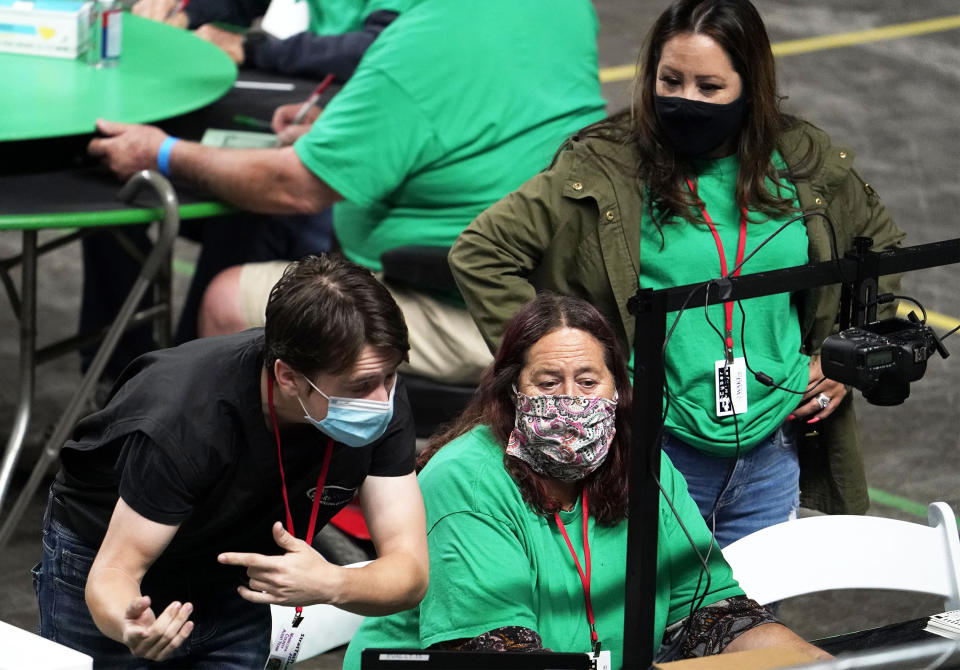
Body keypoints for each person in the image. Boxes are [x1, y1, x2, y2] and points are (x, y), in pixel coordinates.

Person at [449, 0, 906, 546]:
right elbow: (481, 252)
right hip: (653, 446)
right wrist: (556, 361)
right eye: (671, 81)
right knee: (650, 627)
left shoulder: (802, 158)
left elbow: (879, 249)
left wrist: (845, 354)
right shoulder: (604, 165)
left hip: (772, 450)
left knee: (756, 624)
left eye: (709, 87)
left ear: (749, 86)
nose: (686, 100)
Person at [88, 0, 607, 384]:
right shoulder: (562, 10)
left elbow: (294, 186)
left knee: (230, 293)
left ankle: (200, 479)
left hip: (472, 303)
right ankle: (148, 390)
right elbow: (486, 113)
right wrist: (343, 135)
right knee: (250, 220)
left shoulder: (427, 41)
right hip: (561, 276)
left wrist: (159, 153)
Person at [342, 294, 829, 669]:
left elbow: (712, 613)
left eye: (589, 382)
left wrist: (808, 658)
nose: (571, 401)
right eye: (549, 383)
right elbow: (494, 654)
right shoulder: (466, 480)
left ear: (618, 389)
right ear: (512, 392)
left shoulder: (644, 467)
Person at [34, 255, 428, 668]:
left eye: (389, 376)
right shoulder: (186, 417)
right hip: (115, 555)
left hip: (234, 577)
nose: (383, 401)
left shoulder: (377, 397)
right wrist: (128, 624)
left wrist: (333, 582)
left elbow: (410, 570)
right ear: (288, 377)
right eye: (362, 385)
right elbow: (114, 571)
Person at [132, 0, 408, 80]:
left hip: (360, 93)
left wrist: (251, 49)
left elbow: (380, 48)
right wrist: (184, 13)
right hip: (310, 83)